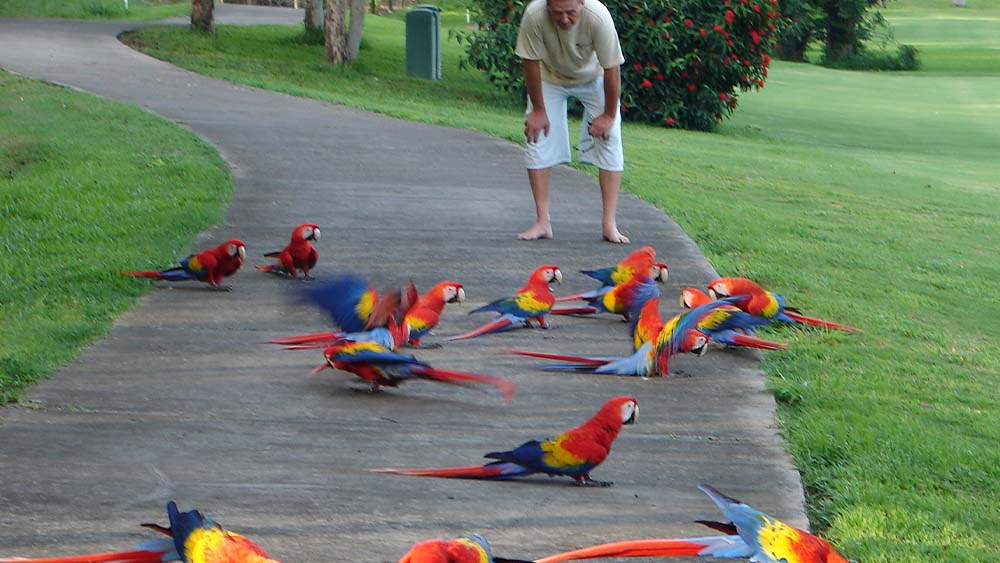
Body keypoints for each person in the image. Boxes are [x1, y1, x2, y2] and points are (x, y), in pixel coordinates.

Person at [515, 0, 629, 243]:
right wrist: (538, 110)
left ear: (582, 3)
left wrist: (608, 115)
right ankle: (542, 222)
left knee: (611, 137)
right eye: (557, 13)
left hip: (594, 76)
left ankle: (609, 224)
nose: (564, 19)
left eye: (571, 13)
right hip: (549, 77)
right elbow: (530, 64)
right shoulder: (534, 15)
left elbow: (612, 70)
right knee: (537, 136)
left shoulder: (598, 17)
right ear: (547, 6)